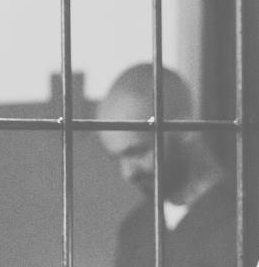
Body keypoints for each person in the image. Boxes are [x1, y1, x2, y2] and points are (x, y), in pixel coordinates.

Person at [97, 64, 235, 267]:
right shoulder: (137, 231)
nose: (127, 173)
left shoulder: (247, 217)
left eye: (138, 152)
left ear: (185, 129)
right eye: (118, 158)